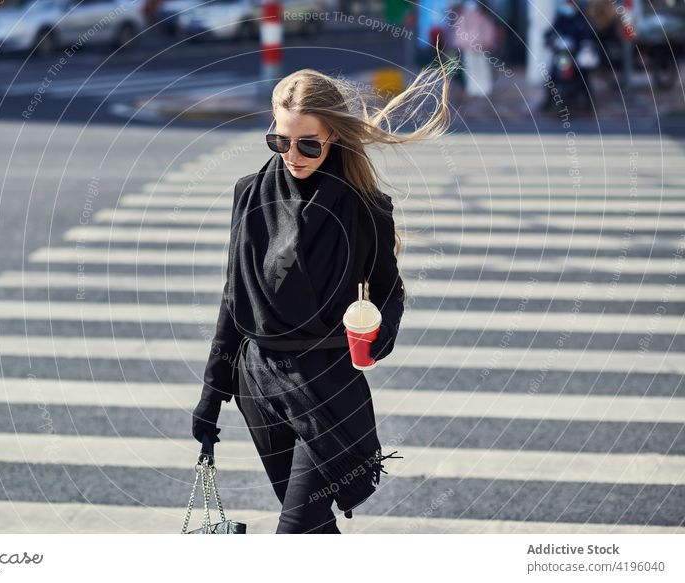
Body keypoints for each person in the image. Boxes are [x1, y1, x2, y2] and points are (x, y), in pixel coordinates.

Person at [191, 62, 455, 534]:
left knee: (295, 529)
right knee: (312, 532)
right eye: (280, 140)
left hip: (327, 385)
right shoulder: (249, 194)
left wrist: (377, 337)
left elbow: (388, 288)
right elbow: (235, 296)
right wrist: (212, 396)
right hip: (260, 383)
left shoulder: (364, 207)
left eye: (307, 143)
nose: (293, 154)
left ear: (333, 135)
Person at [448, 0, 499, 98]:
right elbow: (460, 30)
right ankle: (475, 88)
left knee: (481, 67)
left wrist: (486, 41)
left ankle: (483, 88)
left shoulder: (482, 16)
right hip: (473, 46)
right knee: (472, 67)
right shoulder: (470, 16)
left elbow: (488, 30)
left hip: (480, 46)